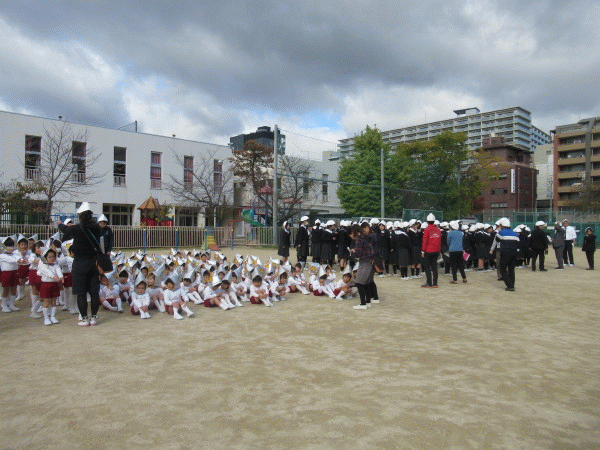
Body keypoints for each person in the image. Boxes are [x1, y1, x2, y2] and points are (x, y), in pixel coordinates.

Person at [57, 202, 103, 327]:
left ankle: (84, 319)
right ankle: (94, 318)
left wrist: (60, 224)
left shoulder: (76, 228)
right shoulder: (97, 228)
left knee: (81, 293)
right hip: (93, 263)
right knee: (94, 292)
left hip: (79, 263)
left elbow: (65, 230)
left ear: (80, 216)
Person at [349, 222, 376, 310]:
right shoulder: (365, 237)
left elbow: (358, 254)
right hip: (370, 262)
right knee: (366, 282)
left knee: (359, 282)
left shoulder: (359, 239)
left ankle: (363, 304)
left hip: (364, 262)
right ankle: (368, 301)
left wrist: (352, 252)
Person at [37, 247, 64, 325]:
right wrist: (53, 276)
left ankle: (53, 317)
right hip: (46, 284)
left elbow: (58, 270)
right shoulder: (43, 265)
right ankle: (46, 318)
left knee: (54, 301)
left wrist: (61, 277)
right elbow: (46, 271)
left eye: (53, 257)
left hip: (54, 284)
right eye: (50, 257)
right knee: (46, 302)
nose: (52, 258)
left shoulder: (55, 265)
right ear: (46, 258)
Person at [491, 217, 519, 291]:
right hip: (514, 253)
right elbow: (518, 244)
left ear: (502, 225)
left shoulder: (501, 233)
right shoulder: (515, 234)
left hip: (505, 253)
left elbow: (497, 240)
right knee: (511, 269)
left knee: (502, 269)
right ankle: (512, 284)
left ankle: (509, 285)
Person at [421, 214, 442, 288]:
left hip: (428, 251)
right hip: (436, 251)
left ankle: (429, 283)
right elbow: (439, 241)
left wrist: (423, 251)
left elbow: (425, 241)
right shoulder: (438, 230)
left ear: (427, 221)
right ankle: (435, 283)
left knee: (427, 267)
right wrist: (439, 250)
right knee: (434, 267)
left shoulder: (427, 230)